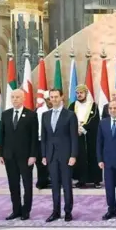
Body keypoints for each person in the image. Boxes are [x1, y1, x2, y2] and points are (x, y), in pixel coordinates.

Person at [0, 89, 39, 220]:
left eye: (17, 97)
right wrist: (0, 153)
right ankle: (16, 210)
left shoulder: (31, 115)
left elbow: (34, 137)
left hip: (26, 157)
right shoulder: (5, 114)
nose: (14, 99)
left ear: (23, 98)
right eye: (13, 97)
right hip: (9, 156)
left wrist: (33, 155)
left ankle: (26, 211)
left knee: (27, 184)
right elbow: (1, 135)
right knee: (13, 184)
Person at [41, 89, 78, 222]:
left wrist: (73, 155)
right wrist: (44, 155)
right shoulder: (45, 115)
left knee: (67, 185)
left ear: (62, 97)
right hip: (51, 156)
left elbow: (74, 137)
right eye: (52, 97)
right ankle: (55, 212)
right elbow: (44, 138)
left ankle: (68, 211)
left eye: (56, 97)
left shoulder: (70, 115)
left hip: (66, 155)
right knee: (55, 185)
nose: (54, 99)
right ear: (49, 99)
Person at [67, 84, 102, 189]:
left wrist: (84, 128)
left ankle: (96, 180)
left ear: (86, 93)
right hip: (77, 135)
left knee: (93, 156)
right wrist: (76, 128)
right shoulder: (72, 106)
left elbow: (95, 120)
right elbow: (68, 119)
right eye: (77, 93)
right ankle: (81, 180)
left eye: (81, 93)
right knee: (79, 157)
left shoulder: (94, 106)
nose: (79, 95)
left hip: (90, 136)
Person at [35, 95, 52, 189]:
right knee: (41, 163)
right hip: (41, 140)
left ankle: (51, 179)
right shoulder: (40, 111)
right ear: (45, 100)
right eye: (49, 99)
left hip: (52, 140)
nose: (51, 100)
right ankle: (42, 182)